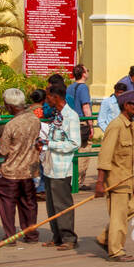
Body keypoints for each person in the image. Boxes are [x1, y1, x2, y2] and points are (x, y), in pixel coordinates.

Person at [95, 90, 134, 262]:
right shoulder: (115, 125)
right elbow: (105, 156)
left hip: (127, 178)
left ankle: (106, 238)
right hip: (116, 180)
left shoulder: (128, 125)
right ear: (125, 105)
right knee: (118, 216)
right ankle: (115, 250)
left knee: (133, 207)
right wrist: (100, 182)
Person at [0, 88, 41, 244]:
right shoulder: (35, 120)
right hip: (30, 169)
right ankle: (31, 234)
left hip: (12, 171)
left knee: (7, 203)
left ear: (9, 106)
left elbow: (3, 150)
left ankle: (10, 235)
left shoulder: (11, 125)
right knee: (29, 203)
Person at [41, 84, 82, 250]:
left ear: (56, 97)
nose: (46, 100)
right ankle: (56, 235)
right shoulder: (57, 115)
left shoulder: (70, 116)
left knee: (62, 204)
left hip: (61, 167)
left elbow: (74, 143)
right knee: (51, 204)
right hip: (50, 166)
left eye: (48, 97)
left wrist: (50, 144)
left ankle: (68, 237)